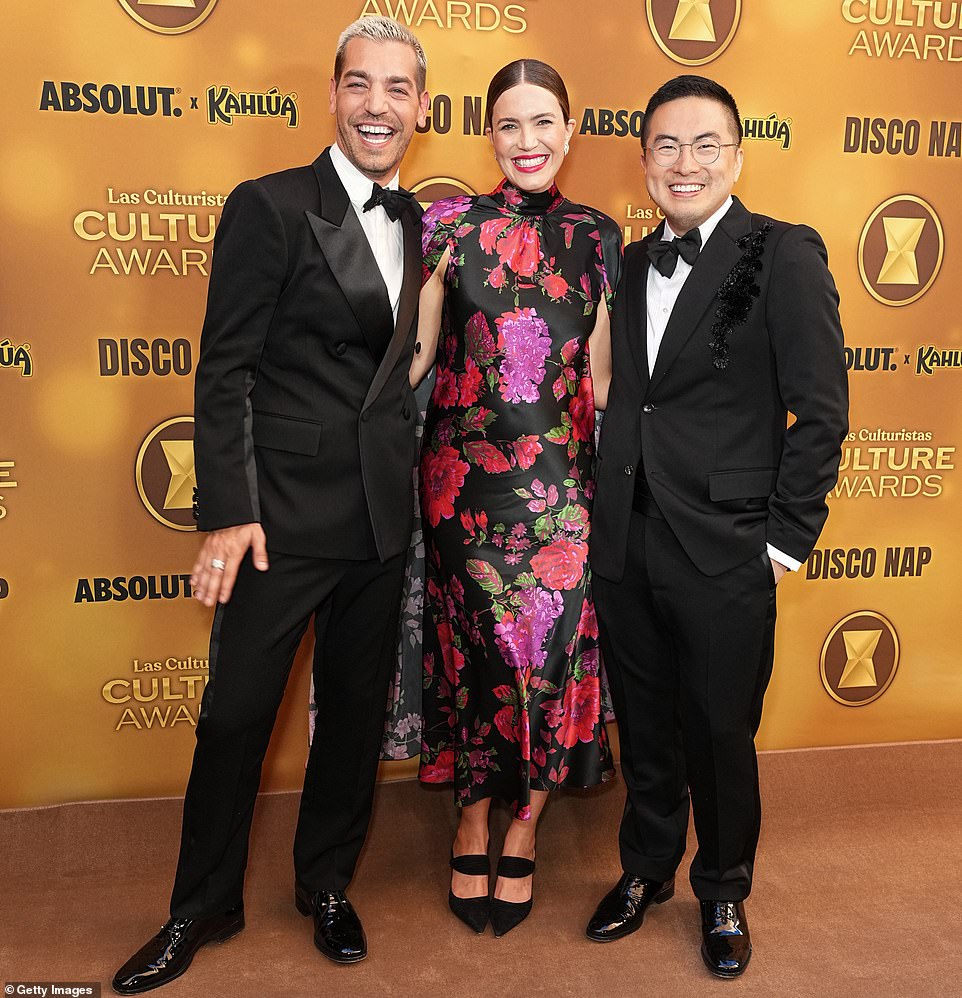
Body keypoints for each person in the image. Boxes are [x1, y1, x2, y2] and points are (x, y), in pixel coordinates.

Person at [111, 17, 428, 993]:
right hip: (275, 520)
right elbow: (224, 370)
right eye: (361, 86)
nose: (379, 105)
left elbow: (395, 369)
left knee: (350, 722)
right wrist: (227, 508)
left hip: (380, 517)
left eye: (398, 90)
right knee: (236, 716)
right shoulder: (271, 205)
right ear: (333, 94)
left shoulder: (418, 222)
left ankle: (325, 882)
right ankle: (200, 903)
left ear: (420, 108)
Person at [584, 75, 847, 978]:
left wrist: (781, 542)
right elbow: (631, 398)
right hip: (626, 538)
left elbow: (821, 413)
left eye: (704, 145)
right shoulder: (625, 262)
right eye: (666, 145)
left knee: (720, 729)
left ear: (737, 155)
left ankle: (724, 887)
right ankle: (646, 868)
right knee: (646, 726)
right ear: (645, 158)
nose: (684, 162)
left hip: (728, 544)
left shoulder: (781, 252)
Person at [411, 59, 622, 938]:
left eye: (544, 123)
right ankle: (470, 813)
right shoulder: (446, 225)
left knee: (551, 662)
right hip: (462, 489)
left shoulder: (600, 236)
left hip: (565, 493)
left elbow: (602, 383)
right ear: (488, 134)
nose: (527, 141)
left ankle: (525, 825)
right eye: (509, 125)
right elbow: (418, 358)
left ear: (569, 131)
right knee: (477, 661)